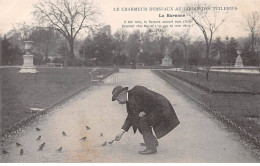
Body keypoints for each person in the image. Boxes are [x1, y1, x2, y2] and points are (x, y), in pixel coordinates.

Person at [112, 85, 180, 154]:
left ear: (121, 94)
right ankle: (152, 141)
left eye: (117, 99)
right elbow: (130, 118)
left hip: (162, 108)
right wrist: (121, 133)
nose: (119, 102)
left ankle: (151, 148)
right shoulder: (128, 102)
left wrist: (145, 111)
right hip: (154, 110)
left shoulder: (137, 90)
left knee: (143, 121)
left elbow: (152, 98)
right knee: (137, 120)